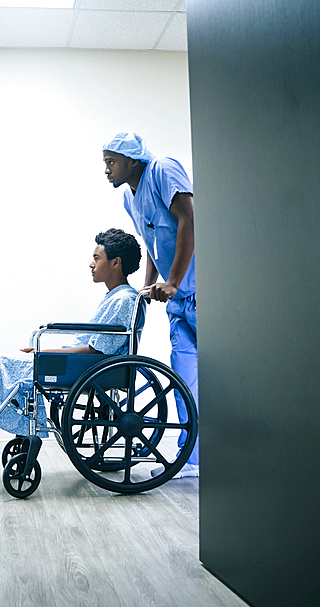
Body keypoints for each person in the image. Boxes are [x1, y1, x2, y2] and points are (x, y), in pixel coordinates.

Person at [0, 228, 144, 460]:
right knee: (3, 365)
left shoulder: (123, 299)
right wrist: (46, 352)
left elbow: (96, 349)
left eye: (97, 258)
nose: (91, 264)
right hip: (86, 364)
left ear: (116, 263)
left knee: (1, 363)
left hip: (90, 367)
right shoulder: (118, 297)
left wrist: (47, 352)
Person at [102, 132, 199, 479]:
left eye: (111, 162)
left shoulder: (162, 170)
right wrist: (147, 285)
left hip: (203, 293)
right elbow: (152, 243)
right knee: (185, 382)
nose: (107, 170)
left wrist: (171, 281)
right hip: (180, 303)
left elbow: (189, 219)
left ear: (132, 160)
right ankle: (193, 459)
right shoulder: (131, 198)